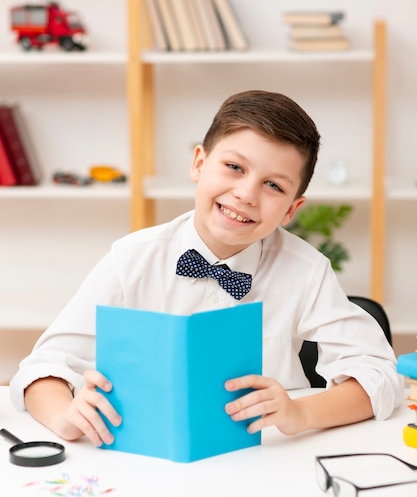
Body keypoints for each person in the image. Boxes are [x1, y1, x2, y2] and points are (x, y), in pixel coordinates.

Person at [10, 90, 403, 448]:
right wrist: (64, 415)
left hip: (267, 461)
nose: (246, 195)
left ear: (291, 209)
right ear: (199, 163)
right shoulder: (131, 259)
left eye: (274, 186)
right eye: (234, 167)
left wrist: (301, 414)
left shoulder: (306, 270)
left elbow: (379, 375)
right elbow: (44, 366)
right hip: (145, 458)